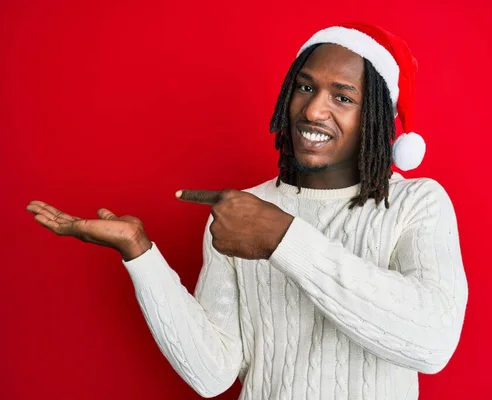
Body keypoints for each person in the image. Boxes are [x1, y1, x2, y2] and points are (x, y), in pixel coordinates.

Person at [26, 23, 468, 400]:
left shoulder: (416, 202)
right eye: (306, 87)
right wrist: (140, 254)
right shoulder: (242, 212)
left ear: (376, 116)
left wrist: (283, 238)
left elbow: (432, 343)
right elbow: (212, 373)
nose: (314, 110)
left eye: (343, 98)